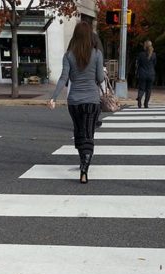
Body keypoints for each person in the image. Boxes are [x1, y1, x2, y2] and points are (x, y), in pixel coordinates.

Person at [48, 21, 104, 184]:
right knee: (88, 135)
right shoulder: (97, 54)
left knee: (79, 133)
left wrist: (53, 97)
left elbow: (64, 78)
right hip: (92, 101)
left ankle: (82, 161)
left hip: (74, 102)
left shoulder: (68, 55)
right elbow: (100, 79)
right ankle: (84, 169)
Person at [136, 40, 156, 108]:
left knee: (141, 88)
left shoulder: (141, 54)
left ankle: (139, 98)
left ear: (145, 46)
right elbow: (154, 64)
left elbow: (138, 63)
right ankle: (146, 104)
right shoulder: (153, 54)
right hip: (151, 74)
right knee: (149, 89)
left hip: (142, 73)